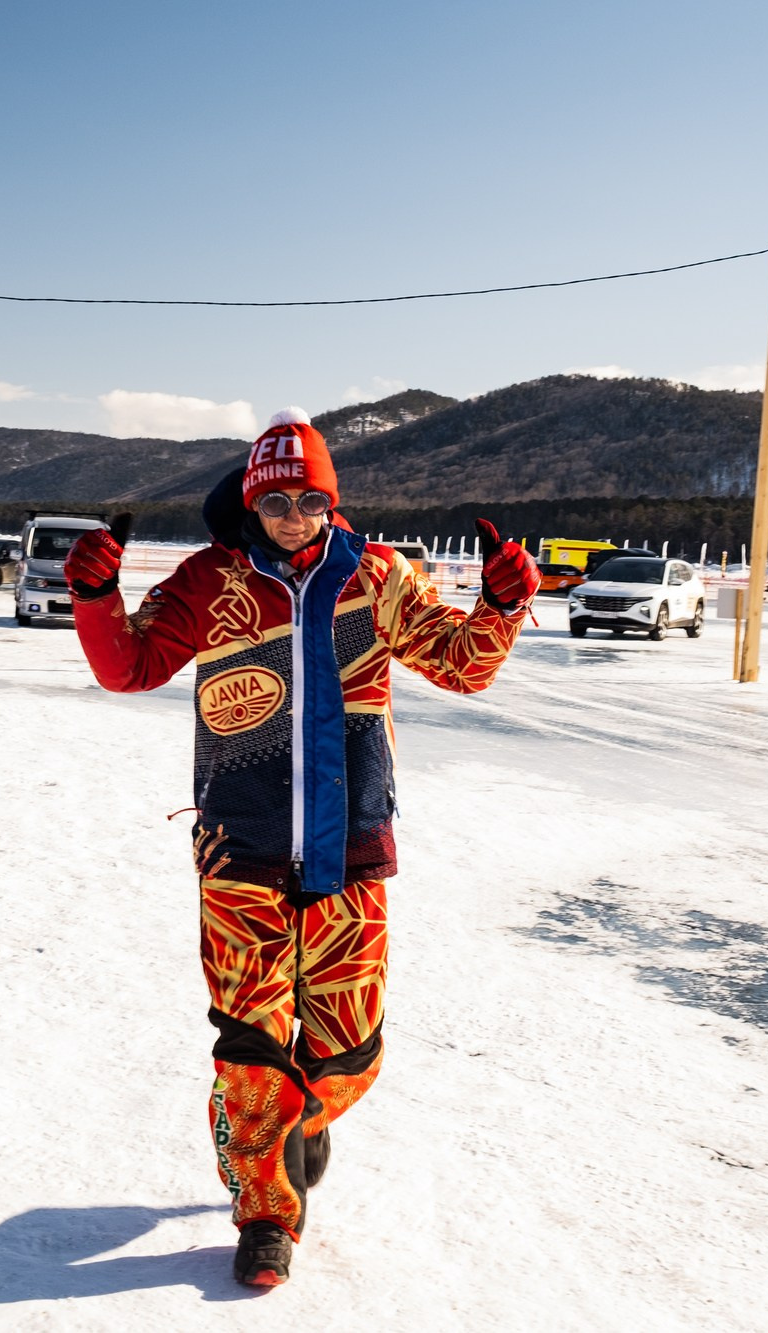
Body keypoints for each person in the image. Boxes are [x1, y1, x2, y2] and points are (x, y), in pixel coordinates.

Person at [63, 408, 539, 1288]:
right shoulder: (211, 582)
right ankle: (264, 1216)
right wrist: (96, 599)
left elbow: (464, 662)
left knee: (351, 1048)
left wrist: (502, 603)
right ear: (252, 499)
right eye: (276, 499)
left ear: (331, 500)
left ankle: (303, 1117)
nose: (292, 515)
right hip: (238, 854)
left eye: (310, 498)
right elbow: (126, 666)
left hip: (351, 846)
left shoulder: (378, 578)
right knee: (250, 1045)